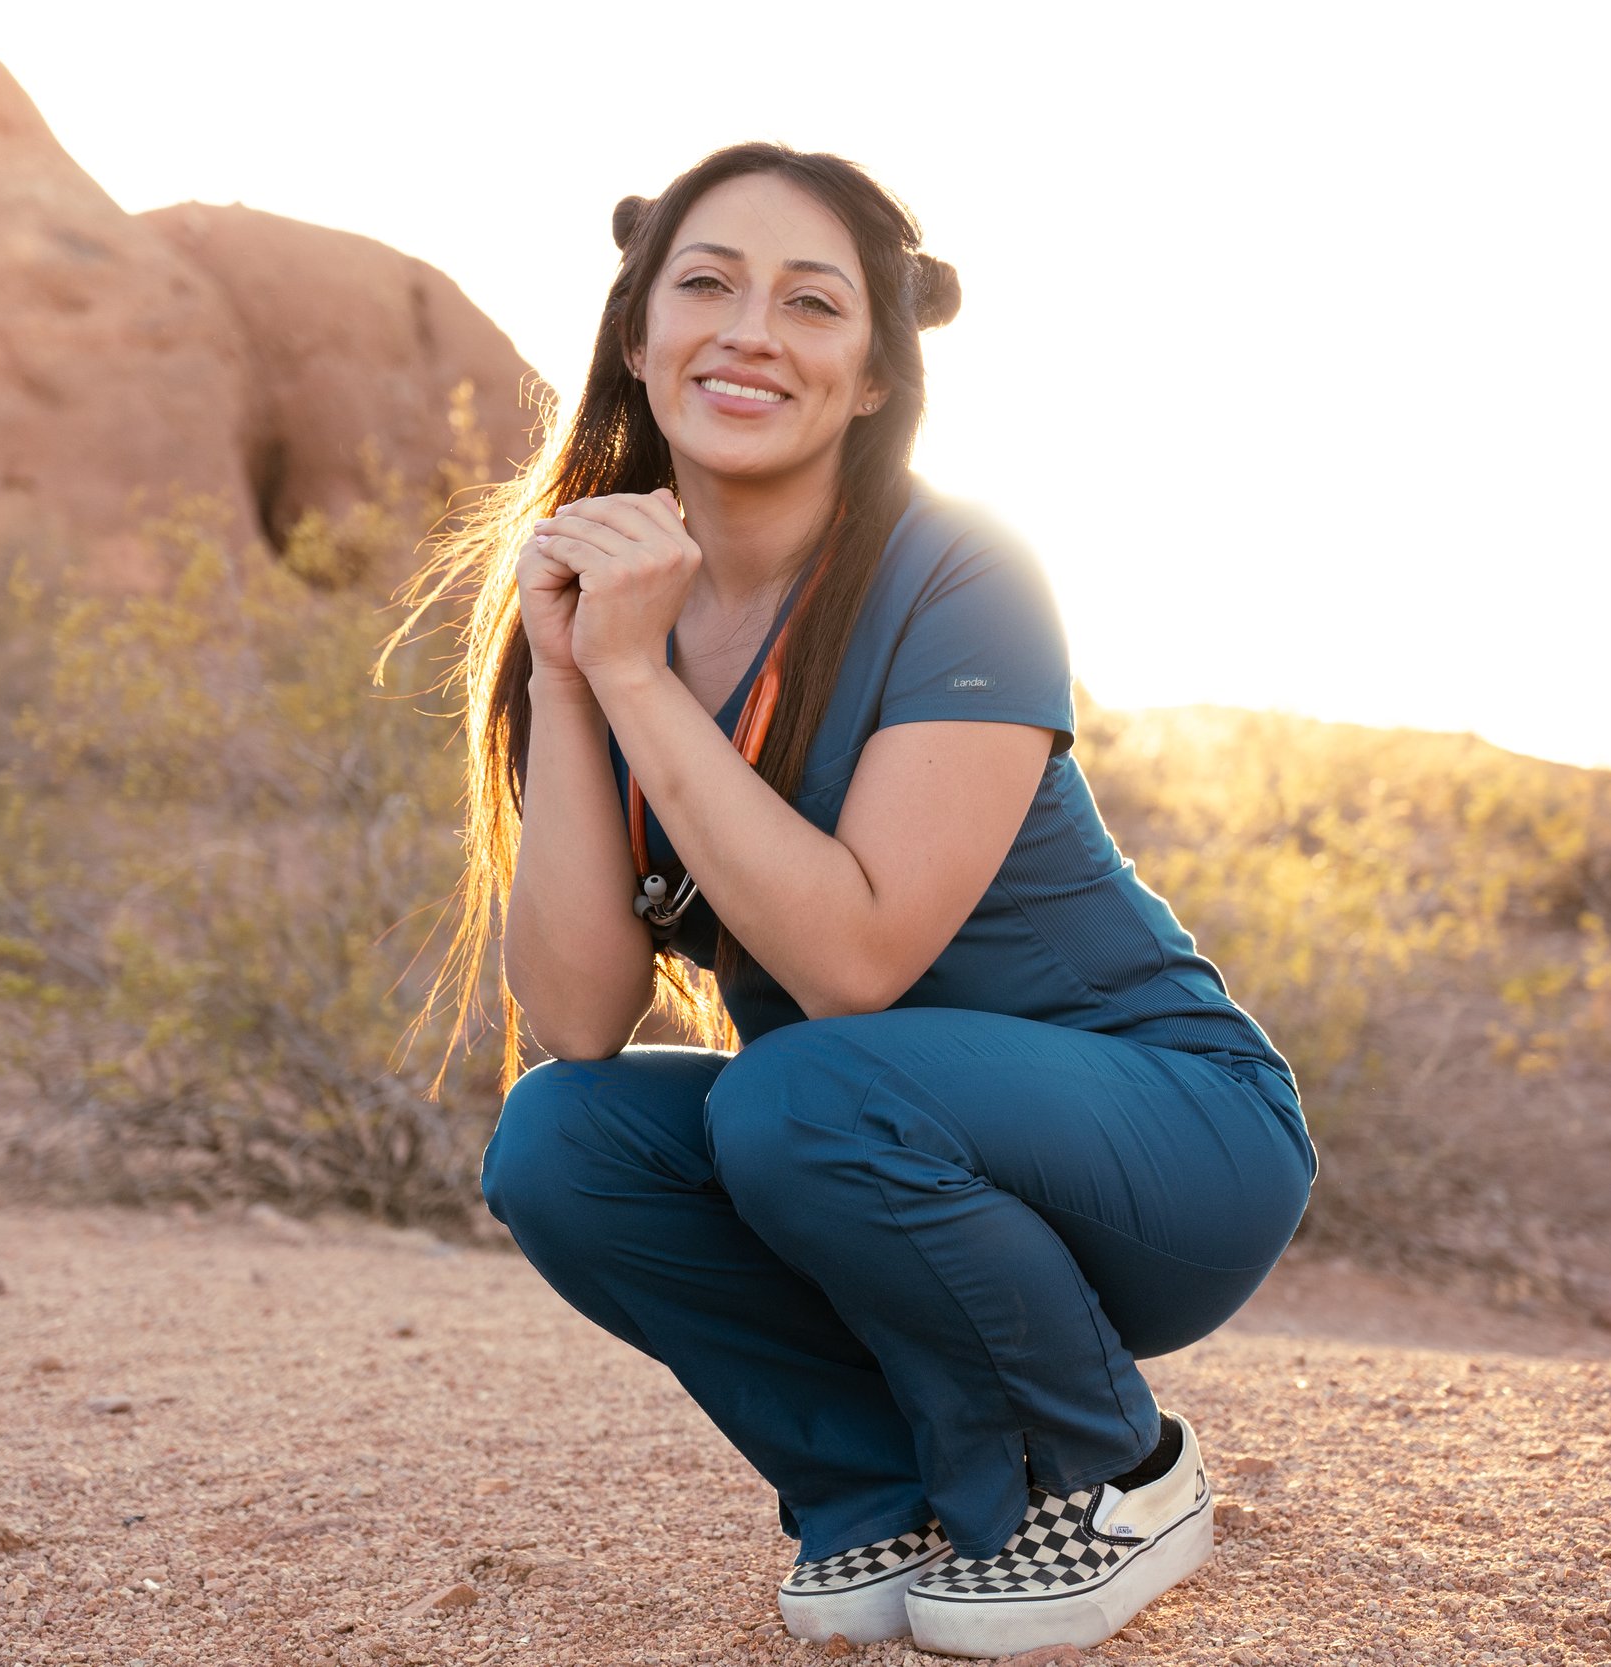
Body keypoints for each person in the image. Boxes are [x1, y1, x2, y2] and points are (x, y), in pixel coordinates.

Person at [376, 142, 1316, 1659]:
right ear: (638, 334)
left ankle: (1109, 1472)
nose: (752, 330)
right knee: (561, 1139)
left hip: (1171, 1145)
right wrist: (567, 669)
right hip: (861, 1143)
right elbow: (574, 1013)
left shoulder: (962, 569)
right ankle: (873, 1482)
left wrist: (634, 675)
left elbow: (858, 961)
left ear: (874, 376)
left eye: (813, 304)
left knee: (798, 1089)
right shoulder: (601, 604)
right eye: (708, 284)